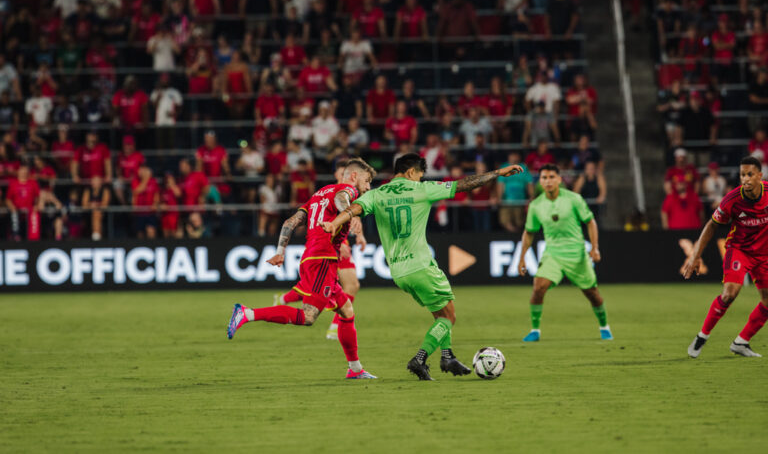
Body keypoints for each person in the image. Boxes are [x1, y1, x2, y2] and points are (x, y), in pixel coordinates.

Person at [322, 153, 523, 380]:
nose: (420, 178)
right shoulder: (422, 189)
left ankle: (448, 356)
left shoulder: (376, 194)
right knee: (449, 318)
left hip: (398, 272)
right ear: (410, 172)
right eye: (419, 174)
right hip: (421, 266)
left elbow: (352, 210)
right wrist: (497, 173)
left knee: (439, 314)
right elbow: (463, 185)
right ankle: (419, 359)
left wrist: (334, 224)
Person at [227, 159, 377, 380]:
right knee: (308, 317)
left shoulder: (318, 195)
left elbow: (290, 221)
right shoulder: (347, 189)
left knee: (346, 310)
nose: (368, 188)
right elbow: (342, 198)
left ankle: (355, 369)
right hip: (322, 258)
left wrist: (280, 251)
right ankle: (247, 314)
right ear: (354, 177)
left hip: (312, 258)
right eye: (367, 181)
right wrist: (350, 214)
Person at [683, 156, 768, 358]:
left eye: (749, 174)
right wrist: (695, 255)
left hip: (764, 254)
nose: (745, 179)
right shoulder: (733, 199)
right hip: (739, 250)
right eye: (742, 175)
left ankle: (741, 342)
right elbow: (711, 225)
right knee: (729, 293)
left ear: (759, 176)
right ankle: (702, 336)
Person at [518, 164, 612, 343]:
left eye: (552, 177)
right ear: (540, 182)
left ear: (559, 180)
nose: (548, 181)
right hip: (553, 254)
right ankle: (535, 330)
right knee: (538, 287)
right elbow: (529, 232)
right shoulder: (536, 205)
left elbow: (590, 222)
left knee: (592, 293)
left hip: (577, 253)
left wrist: (594, 247)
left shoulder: (574, 199)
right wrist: (522, 257)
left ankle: (604, 326)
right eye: (544, 178)